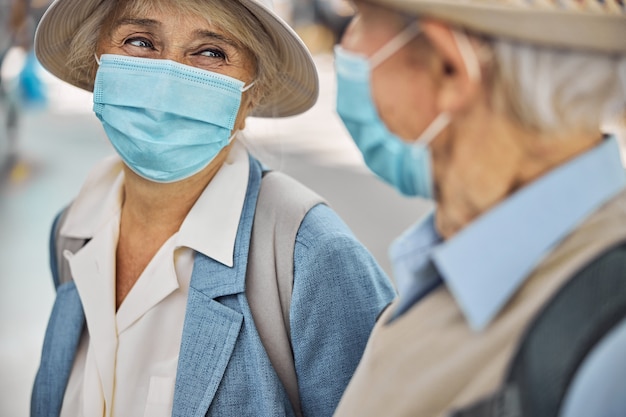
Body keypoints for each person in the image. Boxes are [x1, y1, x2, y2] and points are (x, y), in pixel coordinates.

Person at [29, 0, 396, 416]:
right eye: (139, 41)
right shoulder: (73, 231)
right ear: (98, 65)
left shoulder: (313, 257)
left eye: (212, 52)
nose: (169, 77)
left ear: (251, 96)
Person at [331, 0, 626, 416]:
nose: (347, 47)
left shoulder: (608, 342)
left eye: (361, 20)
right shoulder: (467, 256)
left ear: (450, 67)